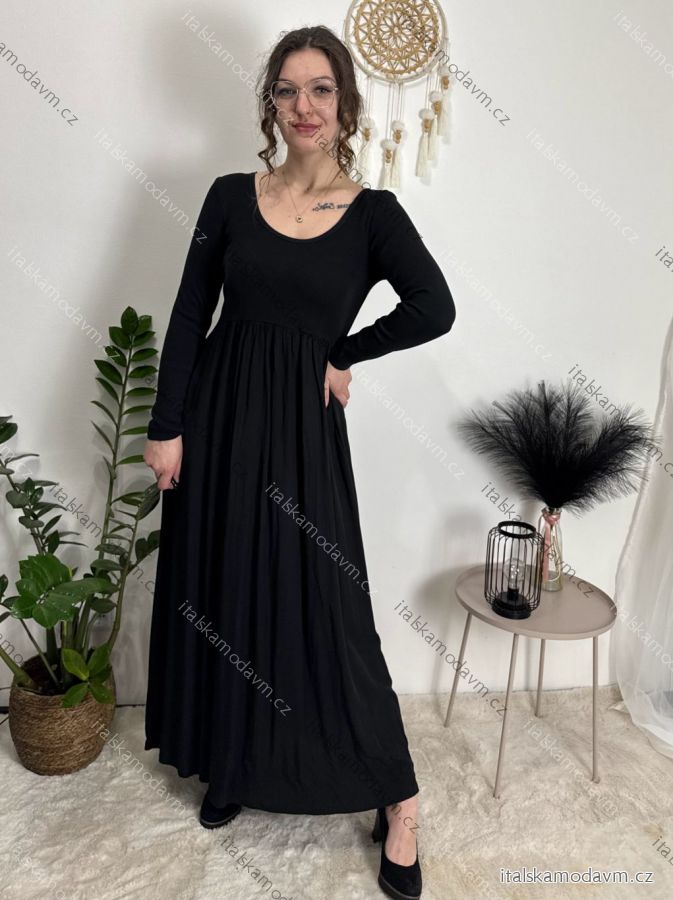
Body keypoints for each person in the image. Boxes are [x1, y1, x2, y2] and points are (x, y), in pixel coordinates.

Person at [143, 24, 455, 900]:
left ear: (345, 103)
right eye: (287, 90)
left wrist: (345, 350)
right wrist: (167, 427)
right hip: (217, 420)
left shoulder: (372, 214)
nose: (303, 106)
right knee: (225, 588)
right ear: (270, 104)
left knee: (331, 607)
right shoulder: (228, 197)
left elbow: (433, 306)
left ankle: (399, 802)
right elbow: (189, 313)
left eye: (320, 89)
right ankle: (233, 763)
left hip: (301, 432)